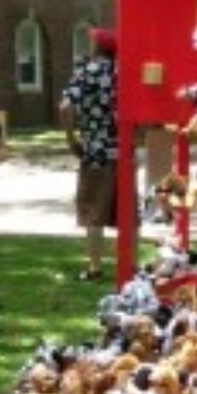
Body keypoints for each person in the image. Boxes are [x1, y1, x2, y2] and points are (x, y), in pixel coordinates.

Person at [59, 26, 119, 281]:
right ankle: (131, 265)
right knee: (126, 212)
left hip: (94, 151)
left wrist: (71, 138)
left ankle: (95, 267)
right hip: (122, 150)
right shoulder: (122, 74)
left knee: (93, 212)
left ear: (96, 47)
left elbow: (65, 107)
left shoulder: (85, 73)